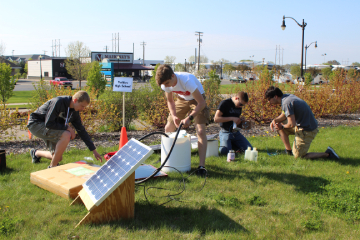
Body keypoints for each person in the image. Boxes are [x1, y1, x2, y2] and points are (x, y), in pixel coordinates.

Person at [155, 64, 210, 176]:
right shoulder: (165, 85)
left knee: (200, 130)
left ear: (173, 76)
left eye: (167, 83)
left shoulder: (187, 81)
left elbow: (202, 103)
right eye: (164, 85)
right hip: (182, 99)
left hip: (197, 99)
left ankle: (201, 166)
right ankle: (167, 158)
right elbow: (170, 101)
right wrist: (174, 115)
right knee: (169, 127)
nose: (166, 86)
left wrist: (190, 117)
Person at [27, 91, 103, 168]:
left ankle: (35, 153)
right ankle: (52, 168)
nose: (83, 109)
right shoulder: (59, 102)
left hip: (50, 128)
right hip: (35, 124)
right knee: (66, 134)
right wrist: (68, 128)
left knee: (58, 158)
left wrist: (94, 150)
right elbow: (49, 123)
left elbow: (81, 130)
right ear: (75, 100)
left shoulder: (74, 112)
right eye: (82, 106)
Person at [265, 86, 339, 159]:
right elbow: (284, 114)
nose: (268, 102)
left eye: (269, 99)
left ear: (275, 96)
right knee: (278, 125)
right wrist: (275, 120)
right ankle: (288, 151)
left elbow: (291, 124)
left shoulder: (286, 103)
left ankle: (328, 154)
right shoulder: (286, 97)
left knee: (299, 156)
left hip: (307, 130)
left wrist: (282, 127)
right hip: (302, 125)